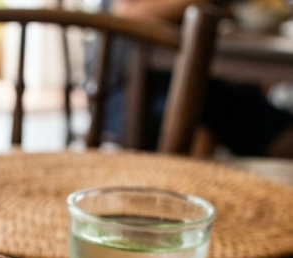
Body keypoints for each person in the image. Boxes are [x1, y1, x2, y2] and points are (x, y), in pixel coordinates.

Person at [104, 0, 293, 157]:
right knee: (196, 138)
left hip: (207, 85)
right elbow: (125, 11)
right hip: (133, 89)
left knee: (284, 138)